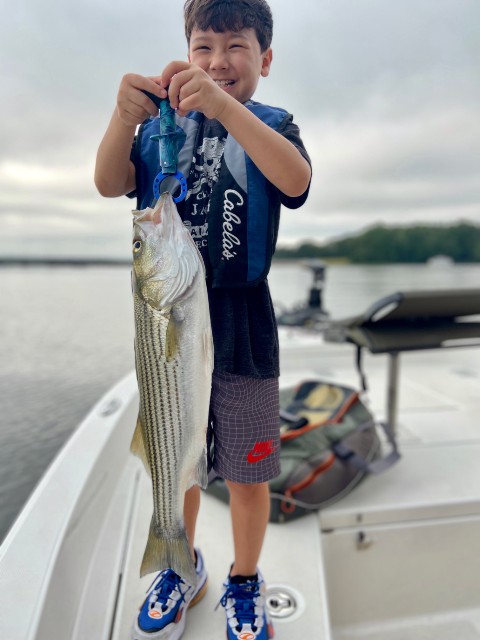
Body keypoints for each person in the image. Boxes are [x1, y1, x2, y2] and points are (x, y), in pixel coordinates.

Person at [95, 0, 311, 638]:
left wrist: (223, 109)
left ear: (264, 59)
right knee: (179, 455)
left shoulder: (271, 124)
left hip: (242, 325)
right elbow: (111, 184)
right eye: (203, 48)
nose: (218, 62)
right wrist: (122, 116)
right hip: (169, 322)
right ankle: (181, 563)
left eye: (236, 46)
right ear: (185, 53)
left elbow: (295, 181)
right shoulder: (162, 126)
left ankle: (244, 579)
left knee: (248, 469)